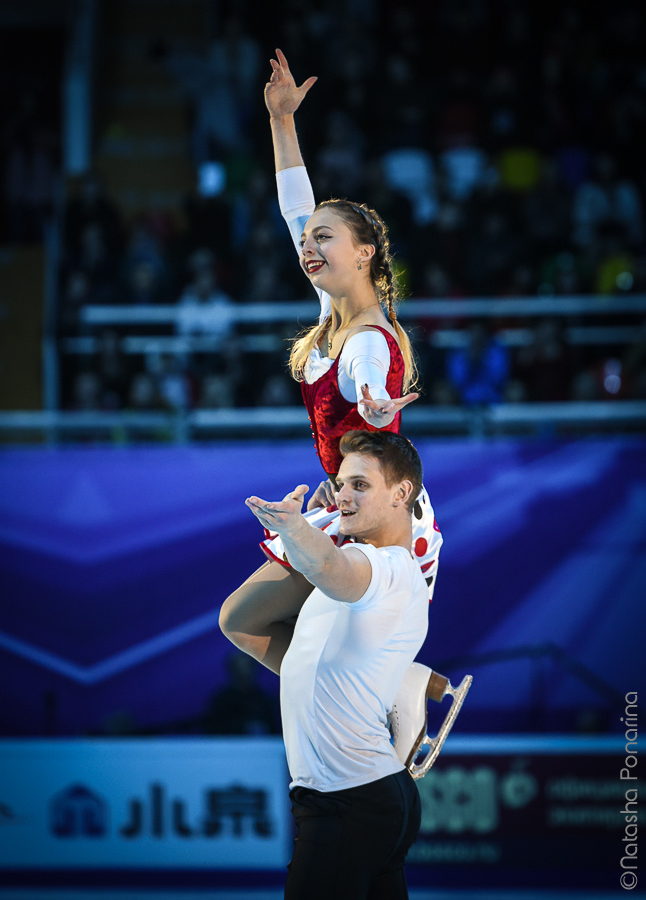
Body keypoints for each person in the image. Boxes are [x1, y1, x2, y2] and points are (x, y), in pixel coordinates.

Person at [220, 50, 467, 770]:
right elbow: (296, 205)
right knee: (246, 625)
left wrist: (374, 403)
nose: (308, 246)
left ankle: (393, 699)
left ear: (363, 254)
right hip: (349, 497)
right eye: (307, 242)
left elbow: (365, 391)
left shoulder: (366, 341)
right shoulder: (335, 309)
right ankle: (404, 691)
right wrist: (281, 122)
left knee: (245, 620)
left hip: (376, 518)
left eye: (324, 239)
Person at [245, 430, 426, 899]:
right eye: (340, 483)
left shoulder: (388, 570)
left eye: (360, 486)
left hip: (349, 802)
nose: (343, 495)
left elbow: (329, 568)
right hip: (366, 797)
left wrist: (294, 528)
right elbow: (239, 622)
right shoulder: (364, 567)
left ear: (401, 493)